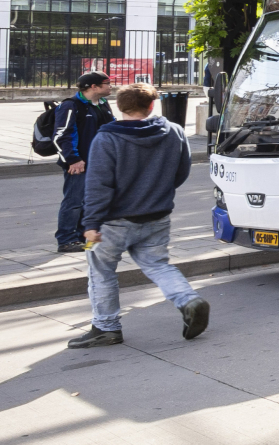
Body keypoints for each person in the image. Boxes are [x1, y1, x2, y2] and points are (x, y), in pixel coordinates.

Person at [68, 83, 208, 348]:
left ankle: (106, 328)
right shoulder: (175, 132)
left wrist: (90, 224)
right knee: (158, 264)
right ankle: (189, 300)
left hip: (112, 223)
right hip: (157, 217)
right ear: (151, 105)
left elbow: (98, 185)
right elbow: (181, 171)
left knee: (101, 271)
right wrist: (156, 194)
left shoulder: (106, 137)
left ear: (119, 107)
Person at [53, 71, 114, 254]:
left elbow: (110, 129)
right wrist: (73, 160)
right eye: (106, 83)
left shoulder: (102, 104)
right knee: (74, 202)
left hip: (99, 163)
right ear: (93, 87)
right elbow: (61, 135)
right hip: (78, 164)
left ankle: (82, 236)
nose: (110, 86)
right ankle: (66, 239)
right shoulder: (71, 106)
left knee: (91, 202)